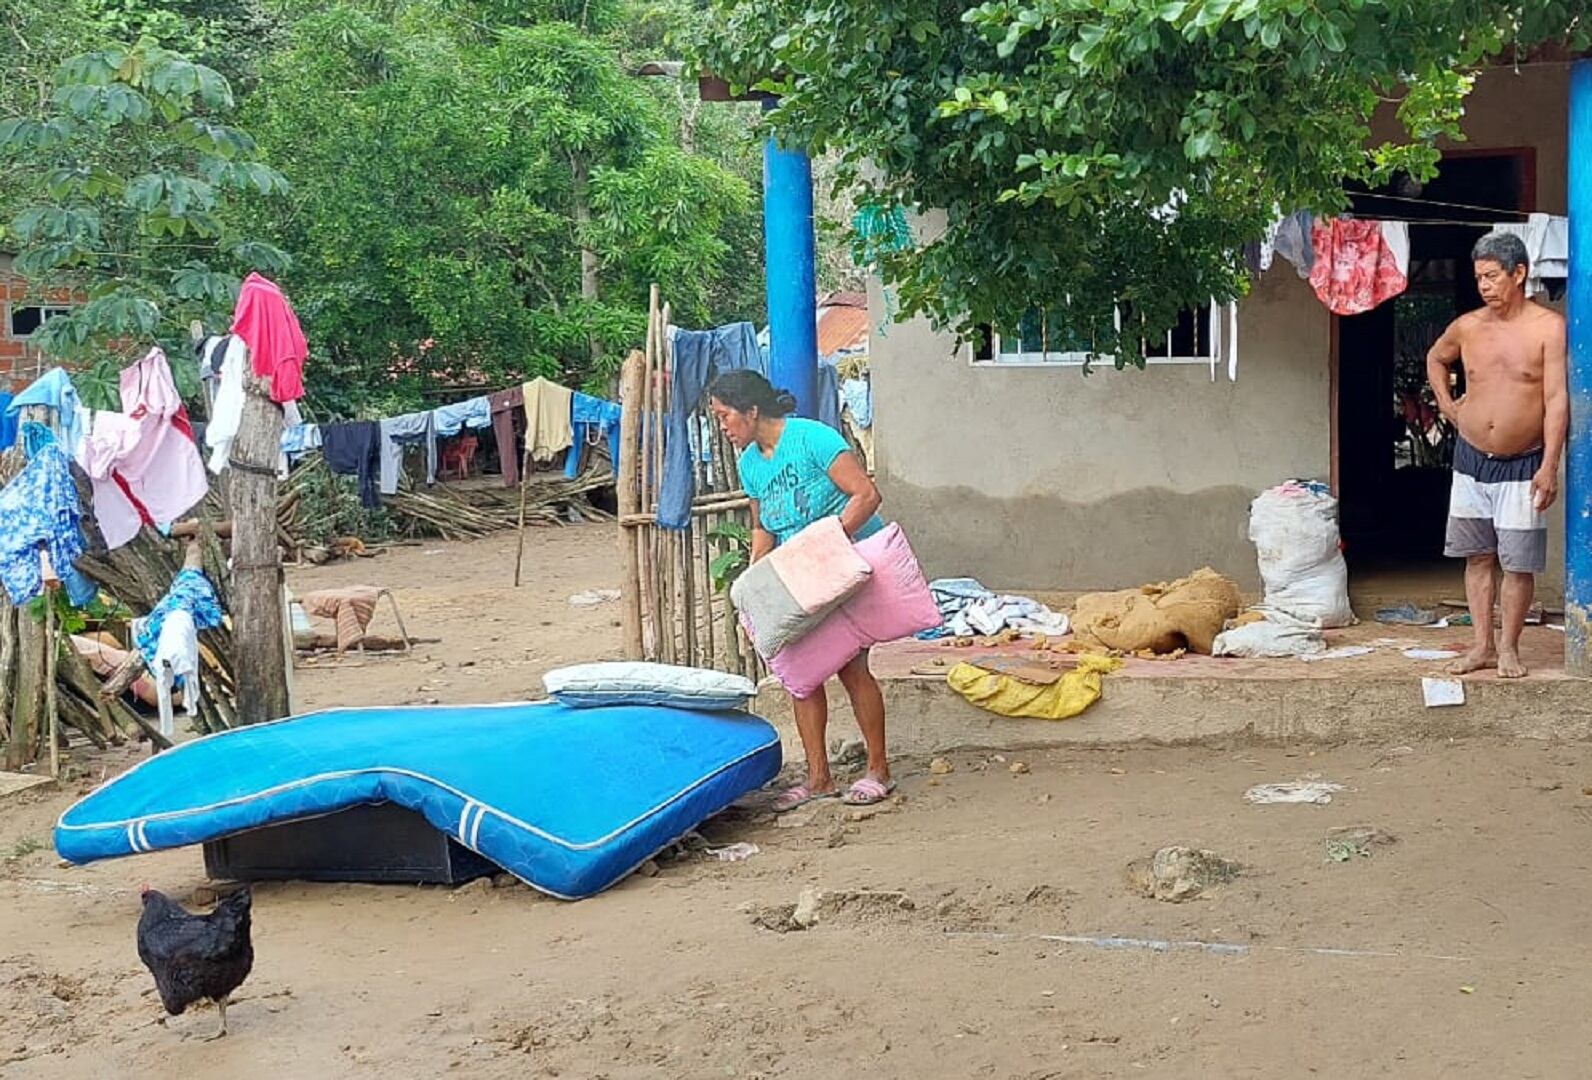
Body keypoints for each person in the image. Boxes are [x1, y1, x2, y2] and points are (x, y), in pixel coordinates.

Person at [707, 370, 893, 809]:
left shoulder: (813, 438)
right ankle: (818, 778)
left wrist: (826, 545)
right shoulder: (750, 462)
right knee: (800, 677)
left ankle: (879, 770)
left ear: (751, 411)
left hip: (843, 568)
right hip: (798, 578)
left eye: (724, 415)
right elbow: (762, 526)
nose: (722, 426)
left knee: (850, 668)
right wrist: (753, 582)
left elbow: (866, 495)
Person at [1426, 230, 1568, 678]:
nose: (1483, 285)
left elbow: (1557, 399)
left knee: (1517, 562)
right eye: (1479, 277)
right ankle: (1482, 646)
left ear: (1519, 273)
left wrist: (1550, 466)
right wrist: (1448, 406)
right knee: (1478, 557)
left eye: (1491, 276)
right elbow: (1436, 357)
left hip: (1524, 462)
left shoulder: (1548, 328)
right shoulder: (1468, 326)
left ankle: (1509, 648)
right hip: (1470, 461)